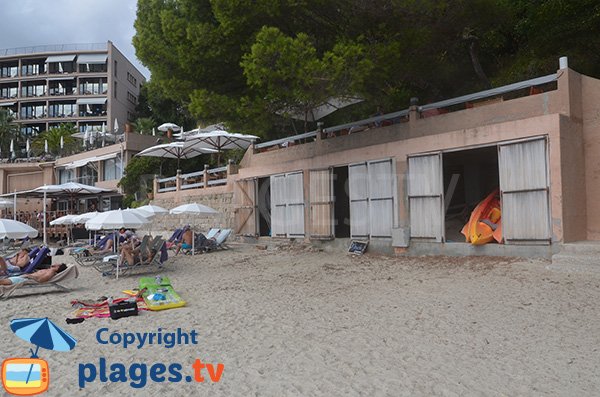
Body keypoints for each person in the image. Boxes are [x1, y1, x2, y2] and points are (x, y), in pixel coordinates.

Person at [0, 263, 67, 285]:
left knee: (2, 282)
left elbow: (41, 280)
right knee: (3, 281)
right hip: (25, 277)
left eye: (58, 264)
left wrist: (30, 276)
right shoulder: (49, 270)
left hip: (26, 279)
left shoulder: (51, 272)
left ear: (58, 268)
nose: (55, 263)